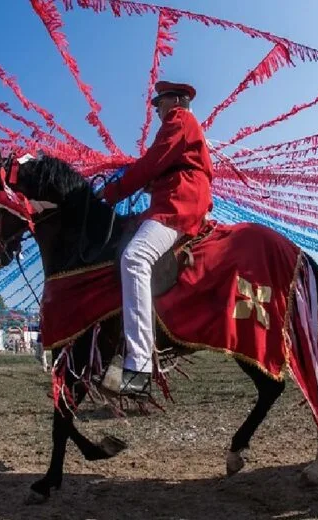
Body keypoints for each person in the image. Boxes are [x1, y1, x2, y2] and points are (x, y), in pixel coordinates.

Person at [98, 81, 214, 395]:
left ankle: (138, 365)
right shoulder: (183, 125)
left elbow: (152, 162)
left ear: (174, 100)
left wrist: (110, 192)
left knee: (135, 257)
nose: (156, 109)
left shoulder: (179, 119)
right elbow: (162, 167)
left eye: (158, 102)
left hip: (180, 203)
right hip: (172, 198)